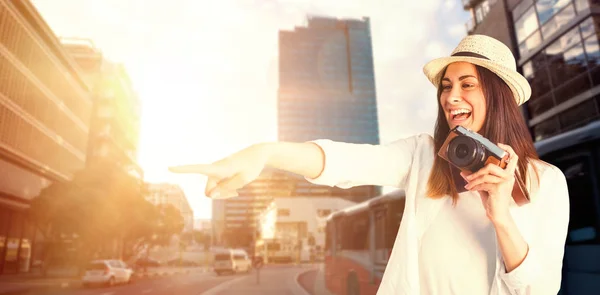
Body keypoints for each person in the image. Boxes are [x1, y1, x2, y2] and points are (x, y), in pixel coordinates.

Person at [169, 35, 570, 295]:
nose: (450, 97)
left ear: (497, 95)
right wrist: (265, 152)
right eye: (446, 87)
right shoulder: (424, 158)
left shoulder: (547, 183)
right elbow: (347, 160)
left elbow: (539, 288)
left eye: (467, 84)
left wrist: (500, 216)